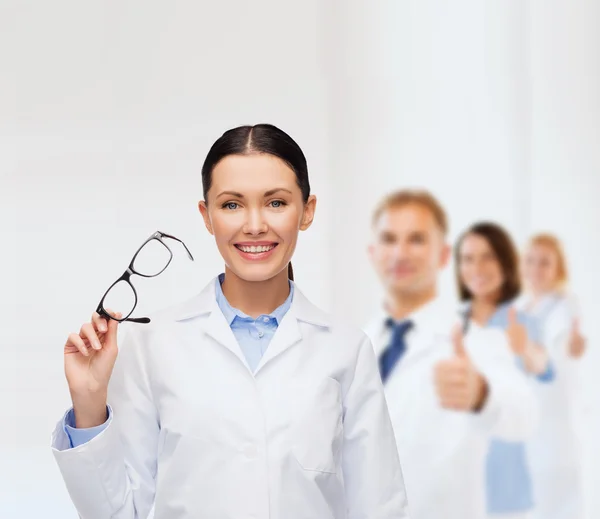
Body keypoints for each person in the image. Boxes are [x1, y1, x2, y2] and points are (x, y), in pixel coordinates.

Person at [51, 124, 410, 519]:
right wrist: (88, 405)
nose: (254, 225)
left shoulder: (345, 349)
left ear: (307, 211)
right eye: (231, 205)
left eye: (276, 203)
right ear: (206, 216)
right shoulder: (153, 346)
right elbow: (118, 513)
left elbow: (380, 506)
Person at [364, 190, 538, 519]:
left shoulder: (475, 339)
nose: (400, 253)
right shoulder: (357, 344)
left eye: (416, 240)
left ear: (444, 255)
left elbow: (524, 413)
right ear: (373, 253)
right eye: (388, 239)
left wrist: (481, 394)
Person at [455, 222, 554, 519]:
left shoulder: (519, 320)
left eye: (488, 257)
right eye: (468, 259)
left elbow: (544, 369)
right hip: (456, 474)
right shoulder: (451, 323)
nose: (477, 268)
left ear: (505, 262)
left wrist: (526, 350)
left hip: (506, 476)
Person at [518, 233, 586, 519]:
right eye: (531, 261)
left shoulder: (565, 305)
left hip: (554, 437)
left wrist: (570, 346)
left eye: (545, 263)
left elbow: (566, 344)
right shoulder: (521, 308)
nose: (536, 269)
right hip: (526, 433)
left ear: (559, 268)